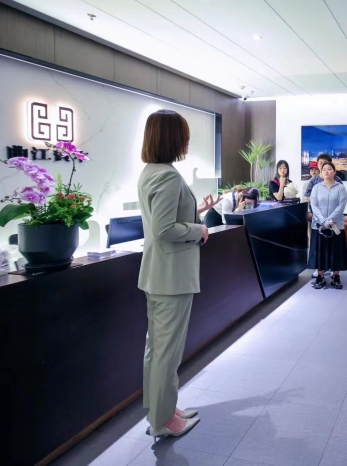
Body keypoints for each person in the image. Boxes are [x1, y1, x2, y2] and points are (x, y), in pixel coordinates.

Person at [137, 110, 213, 440]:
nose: (187, 141)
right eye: (184, 135)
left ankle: (160, 409)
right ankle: (163, 419)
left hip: (158, 274)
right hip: (172, 277)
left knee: (157, 350)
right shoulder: (167, 176)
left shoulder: (150, 172)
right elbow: (164, 228)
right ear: (172, 138)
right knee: (167, 353)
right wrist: (199, 229)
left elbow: (163, 218)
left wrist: (196, 212)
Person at [309, 162, 347, 289]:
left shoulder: (341, 188)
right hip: (319, 226)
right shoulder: (316, 188)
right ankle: (320, 276)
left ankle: (336, 276)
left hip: (336, 225)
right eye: (324, 169)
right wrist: (324, 221)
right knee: (320, 251)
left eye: (329, 169)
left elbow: (341, 206)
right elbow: (314, 206)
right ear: (321, 173)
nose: (326, 171)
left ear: (334, 172)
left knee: (336, 251)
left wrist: (330, 220)